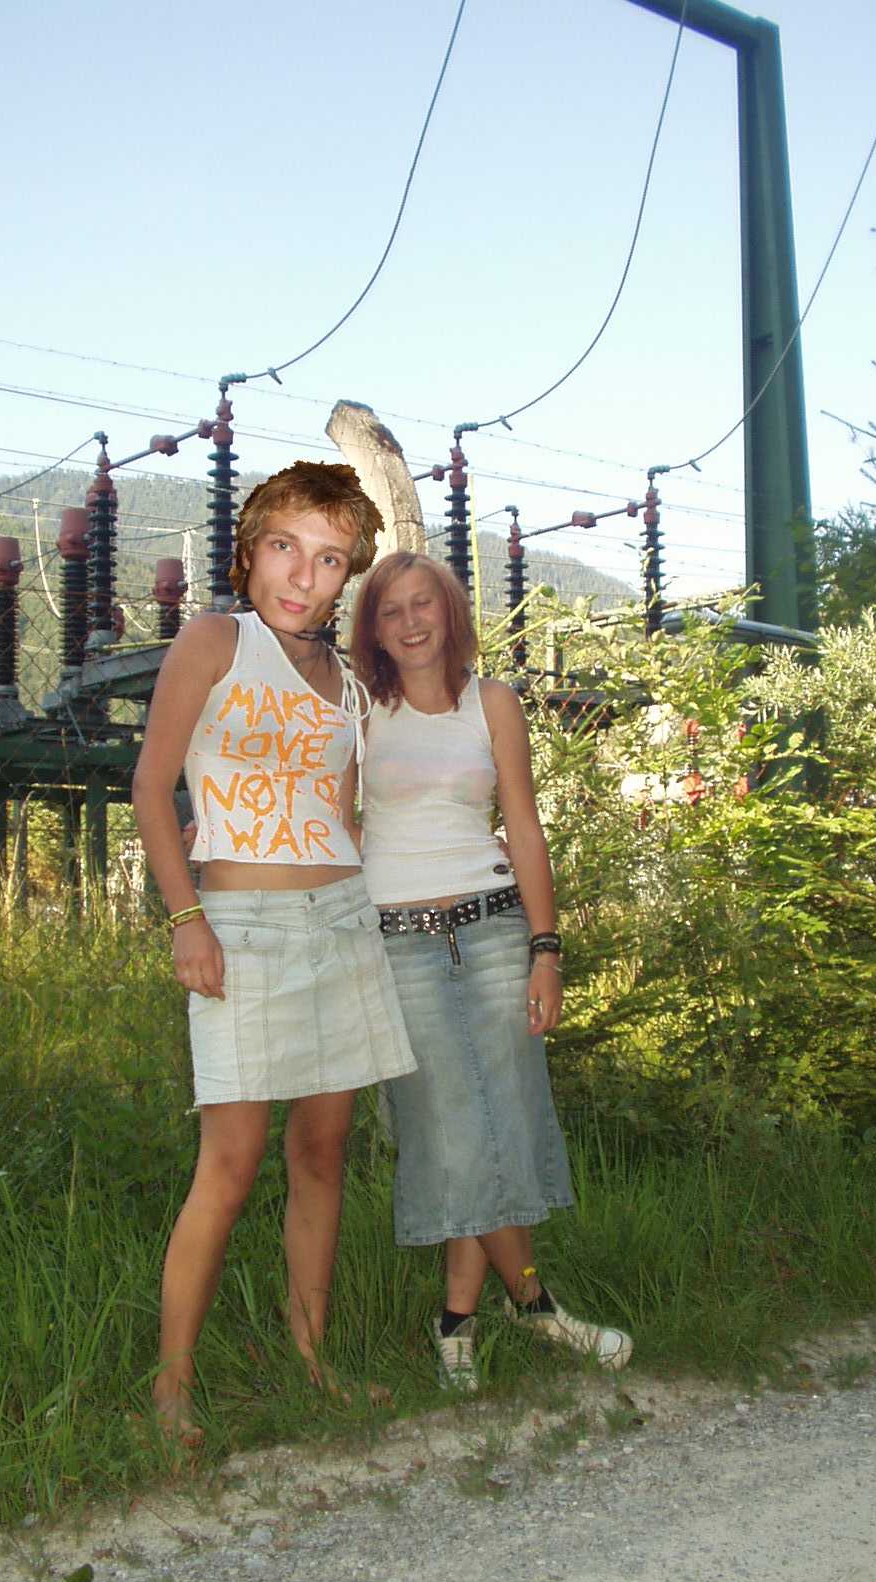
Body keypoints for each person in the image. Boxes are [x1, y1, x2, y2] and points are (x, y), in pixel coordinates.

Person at [133, 461, 416, 1439]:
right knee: (231, 1161)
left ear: (348, 575)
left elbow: (342, 816)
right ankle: (171, 1389)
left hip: (342, 923)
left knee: (323, 1153)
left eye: (330, 558)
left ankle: (311, 1363)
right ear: (251, 550)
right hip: (241, 929)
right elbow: (151, 788)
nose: (304, 574)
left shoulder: (349, 687)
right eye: (287, 547)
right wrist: (187, 921)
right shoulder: (215, 642)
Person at [350, 551, 632, 1392]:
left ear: (450, 612)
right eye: (391, 610)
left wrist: (547, 949)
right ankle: (531, 1304)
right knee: (448, 1129)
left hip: (494, 932)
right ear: (374, 630)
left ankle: (460, 1321)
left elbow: (525, 826)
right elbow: (332, 822)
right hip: (401, 942)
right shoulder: (360, 708)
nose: (410, 622)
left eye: (423, 604)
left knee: (503, 1120)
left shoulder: (494, 703)